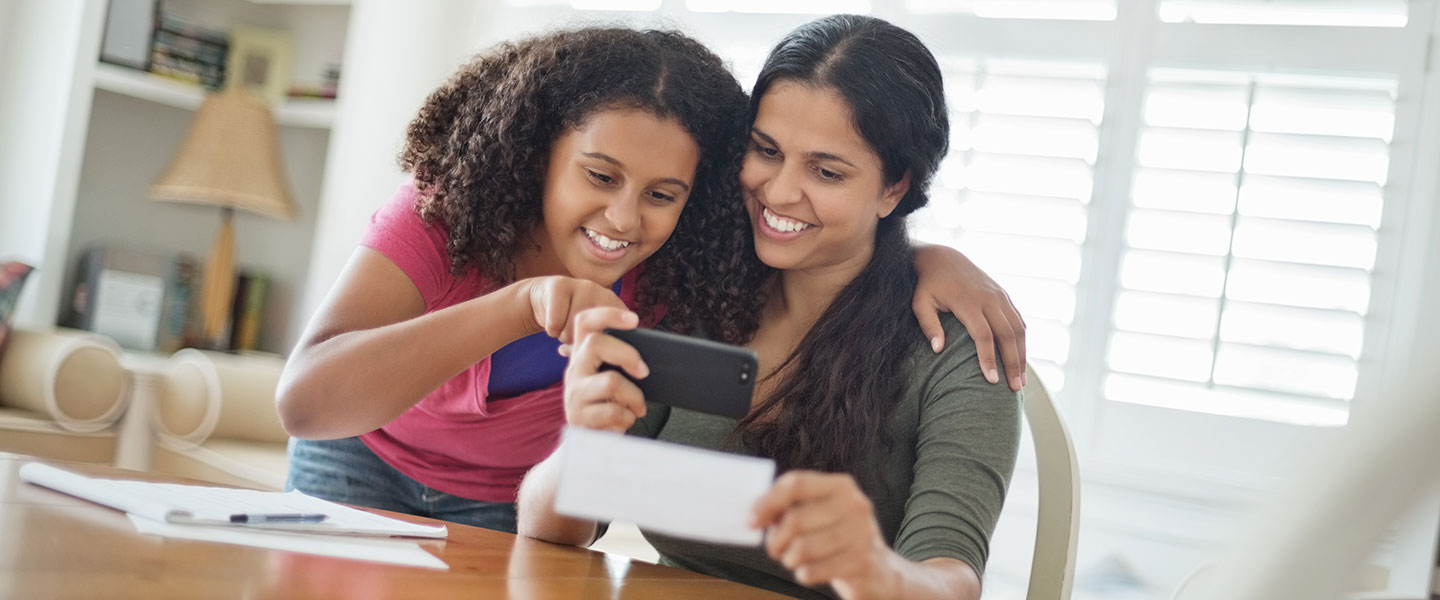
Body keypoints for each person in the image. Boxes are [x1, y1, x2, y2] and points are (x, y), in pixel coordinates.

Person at [278, 26, 1022, 535]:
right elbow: (307, 403)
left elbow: (828, 232)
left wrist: (922, 254)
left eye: (664, 193)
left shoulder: (686, 256)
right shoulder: (451, 210)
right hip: (361, 461)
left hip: (516, 500)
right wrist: (520, 306)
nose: (624, 218)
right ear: (539, 151)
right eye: (599, 175)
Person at [517, 15, 1021, 600]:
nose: (779, 192)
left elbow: (952, 580)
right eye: (766, 151)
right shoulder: (700, 291)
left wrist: (877, 572)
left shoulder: (957, 347)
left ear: (894, 188)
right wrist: (585, 442)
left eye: (826, 171)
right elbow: (550, 532)